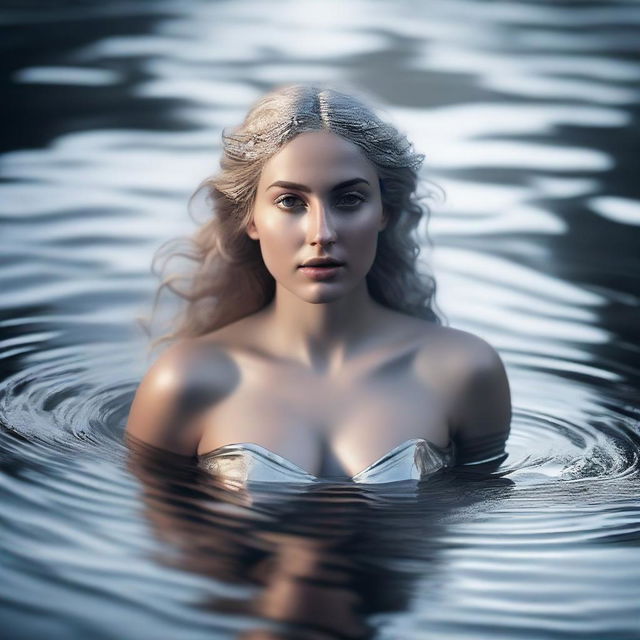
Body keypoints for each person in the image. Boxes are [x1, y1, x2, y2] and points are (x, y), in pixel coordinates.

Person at [125, 83, 511, 483]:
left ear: (385, 212)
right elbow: (166, 539)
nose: (321, 233)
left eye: (348, 200)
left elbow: (480, 522)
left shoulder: (465, 371)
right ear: (250, 218)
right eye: (290, 202)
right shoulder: (185, 382)